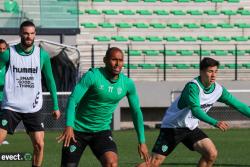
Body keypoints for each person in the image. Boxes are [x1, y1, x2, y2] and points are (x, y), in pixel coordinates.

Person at [138, 57, 250, 167]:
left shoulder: (218, 90)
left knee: (211, 154)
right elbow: (196, 111)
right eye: (210, 71)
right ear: (201, 72)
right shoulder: (193, 87)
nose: (214, 75)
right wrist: (215, 122)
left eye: (216, 71)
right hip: (172, 127)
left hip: (190, 128)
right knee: (153, 163)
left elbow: (239, 105)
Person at [57, 47, 150, 167]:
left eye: (120, 60)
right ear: (105, 60)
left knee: (111, 163)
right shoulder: (92, 76)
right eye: (114, 60)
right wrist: (69, 125)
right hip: (77, 131)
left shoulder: (127, 84)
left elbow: (136, 112)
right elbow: (73, 99)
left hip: (101, 131)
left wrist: (142, 141)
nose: (117, 64)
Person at [0, 21, 61, 167]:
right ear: (20, 33)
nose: (29, 36)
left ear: (35, 35)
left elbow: (50, 80)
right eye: (26, 33)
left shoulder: (42, 55)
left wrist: (56, 105)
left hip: (33, 108)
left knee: (39, 145)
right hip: (11, 107)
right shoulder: (8, 54)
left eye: (32, 33)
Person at [0, 39, 9, 145]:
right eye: (0, 49)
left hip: (5, 99)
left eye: (4, 49)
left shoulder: (9, 65)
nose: (2, 51)